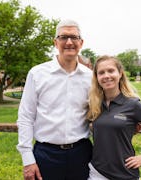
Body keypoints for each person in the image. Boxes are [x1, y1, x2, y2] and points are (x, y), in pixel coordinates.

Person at [17, 19, 93, 180]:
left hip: (82, 154)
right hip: (46, 155)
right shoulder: (37, 74)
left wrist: (130, 119)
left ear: (81, 42)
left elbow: (105, 106)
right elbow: (25, 117)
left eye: (74, 37)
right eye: (63, 37)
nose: (69, 42)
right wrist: (27, 159)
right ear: (55, 42)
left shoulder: (90, 77)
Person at [87, 55, 141, 180]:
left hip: (125, 173)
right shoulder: (95, 104)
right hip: (97, 172)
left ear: (120, 74)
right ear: (97, 78)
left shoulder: (133, 104)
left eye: (111, 71)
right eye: (101, 73)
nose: (106, 76)